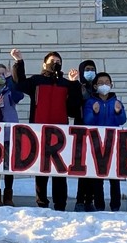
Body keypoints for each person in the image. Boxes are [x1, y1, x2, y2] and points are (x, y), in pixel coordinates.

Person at [10, 48, 83, 211]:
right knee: (41, 170)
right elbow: (19, 84)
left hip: (60, 133)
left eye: (58, 62)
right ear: (45, 64)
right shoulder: (36, 81)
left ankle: (60, 205)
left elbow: (73, 108)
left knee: (59, 172)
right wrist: (18, 62)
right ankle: (42, 203)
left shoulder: (66, 83)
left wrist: (74, 84)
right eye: (52, 61)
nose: (56, 64)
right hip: (39, 132)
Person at [82, 71, 126, 211]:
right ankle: (99, 206)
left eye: (107, 83)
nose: (104, 85)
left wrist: (118, 112)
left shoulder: (116, 102)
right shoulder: (90, 102)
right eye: (101, 83)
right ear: (95, 86)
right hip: (96, 143)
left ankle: (115, 206)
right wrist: (94, 112)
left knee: (114, 177)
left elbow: (122, 120)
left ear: (111, 85)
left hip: (113, 143)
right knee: (98, 177)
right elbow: (87, 121)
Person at [0, 63, 25, 206]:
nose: (1, 77)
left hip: (10, 132)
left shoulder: (10, 91)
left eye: (3, 74)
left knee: (9, 166)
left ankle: (8, 195)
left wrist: (10, 79)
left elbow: (19, 95)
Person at [73, 58, 100, 211]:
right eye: (87, 69)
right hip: (81, 129)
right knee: (83, 167)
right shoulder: (78, 87)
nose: (90, 72)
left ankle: (91, 200)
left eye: (92, 69)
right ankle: (80, 200)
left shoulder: (98, 88)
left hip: (97, 130)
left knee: (94, 167)